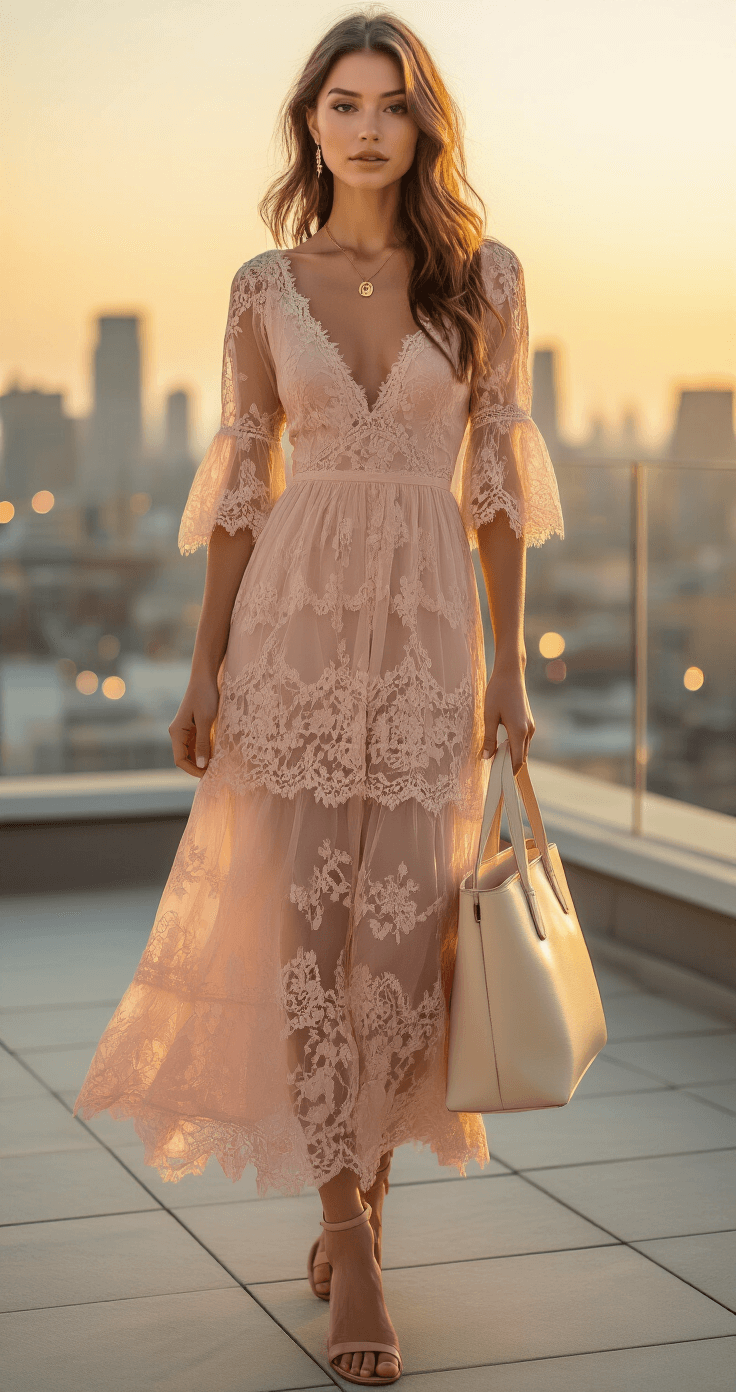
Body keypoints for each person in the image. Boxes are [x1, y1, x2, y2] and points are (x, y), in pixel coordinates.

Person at [73, 10, 563, 1384]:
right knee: (309, 936)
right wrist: (204, 664)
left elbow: (495, 497)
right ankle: (347, 1233)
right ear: (310, 123)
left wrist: (510, 668)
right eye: (340, 103)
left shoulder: (486, 278)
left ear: (423, 125)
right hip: (290, 637)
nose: (363, 126)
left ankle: (372, 1189)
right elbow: (239, 490)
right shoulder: (261, 286)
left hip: (424, 645)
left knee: (403, 948)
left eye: (389, 105)